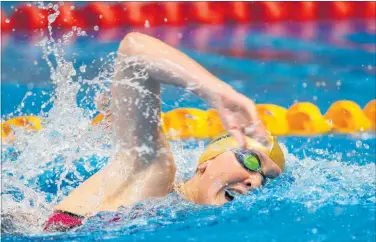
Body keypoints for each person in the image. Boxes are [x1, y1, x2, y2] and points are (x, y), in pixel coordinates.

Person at [44, 32, 285, 232]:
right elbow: (134, 51)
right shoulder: (155, 172)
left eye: (266, 178)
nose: (255, 181)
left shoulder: (176, 212)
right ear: (206, 162)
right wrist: (220, 93)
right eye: (252, 161)